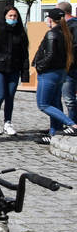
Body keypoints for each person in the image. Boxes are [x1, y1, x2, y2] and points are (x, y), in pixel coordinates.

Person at [33, 8, 77, 144]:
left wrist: (39, 66)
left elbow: (50, 55)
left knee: (43, 104)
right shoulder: (66, 32)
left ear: (50, 19)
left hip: (49, 73)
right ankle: (54, 133)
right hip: (61, 72)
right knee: (55, 103)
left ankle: (72, 125)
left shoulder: (52, 33)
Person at [0, 6, 28, 136]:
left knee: (10, 96)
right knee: (0, 95)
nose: (12, 18)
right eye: (10, 16)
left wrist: (25, 73)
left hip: (14, 68)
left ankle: (8, 123)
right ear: (5, 16)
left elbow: (24, 55)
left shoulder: (20, 32)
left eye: (15, 16)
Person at [57, 1, 77, 122]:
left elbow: (73, 48)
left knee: (69, 99)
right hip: (69, 67)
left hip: (69, 68)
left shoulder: (71, 26)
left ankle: (72, 124)